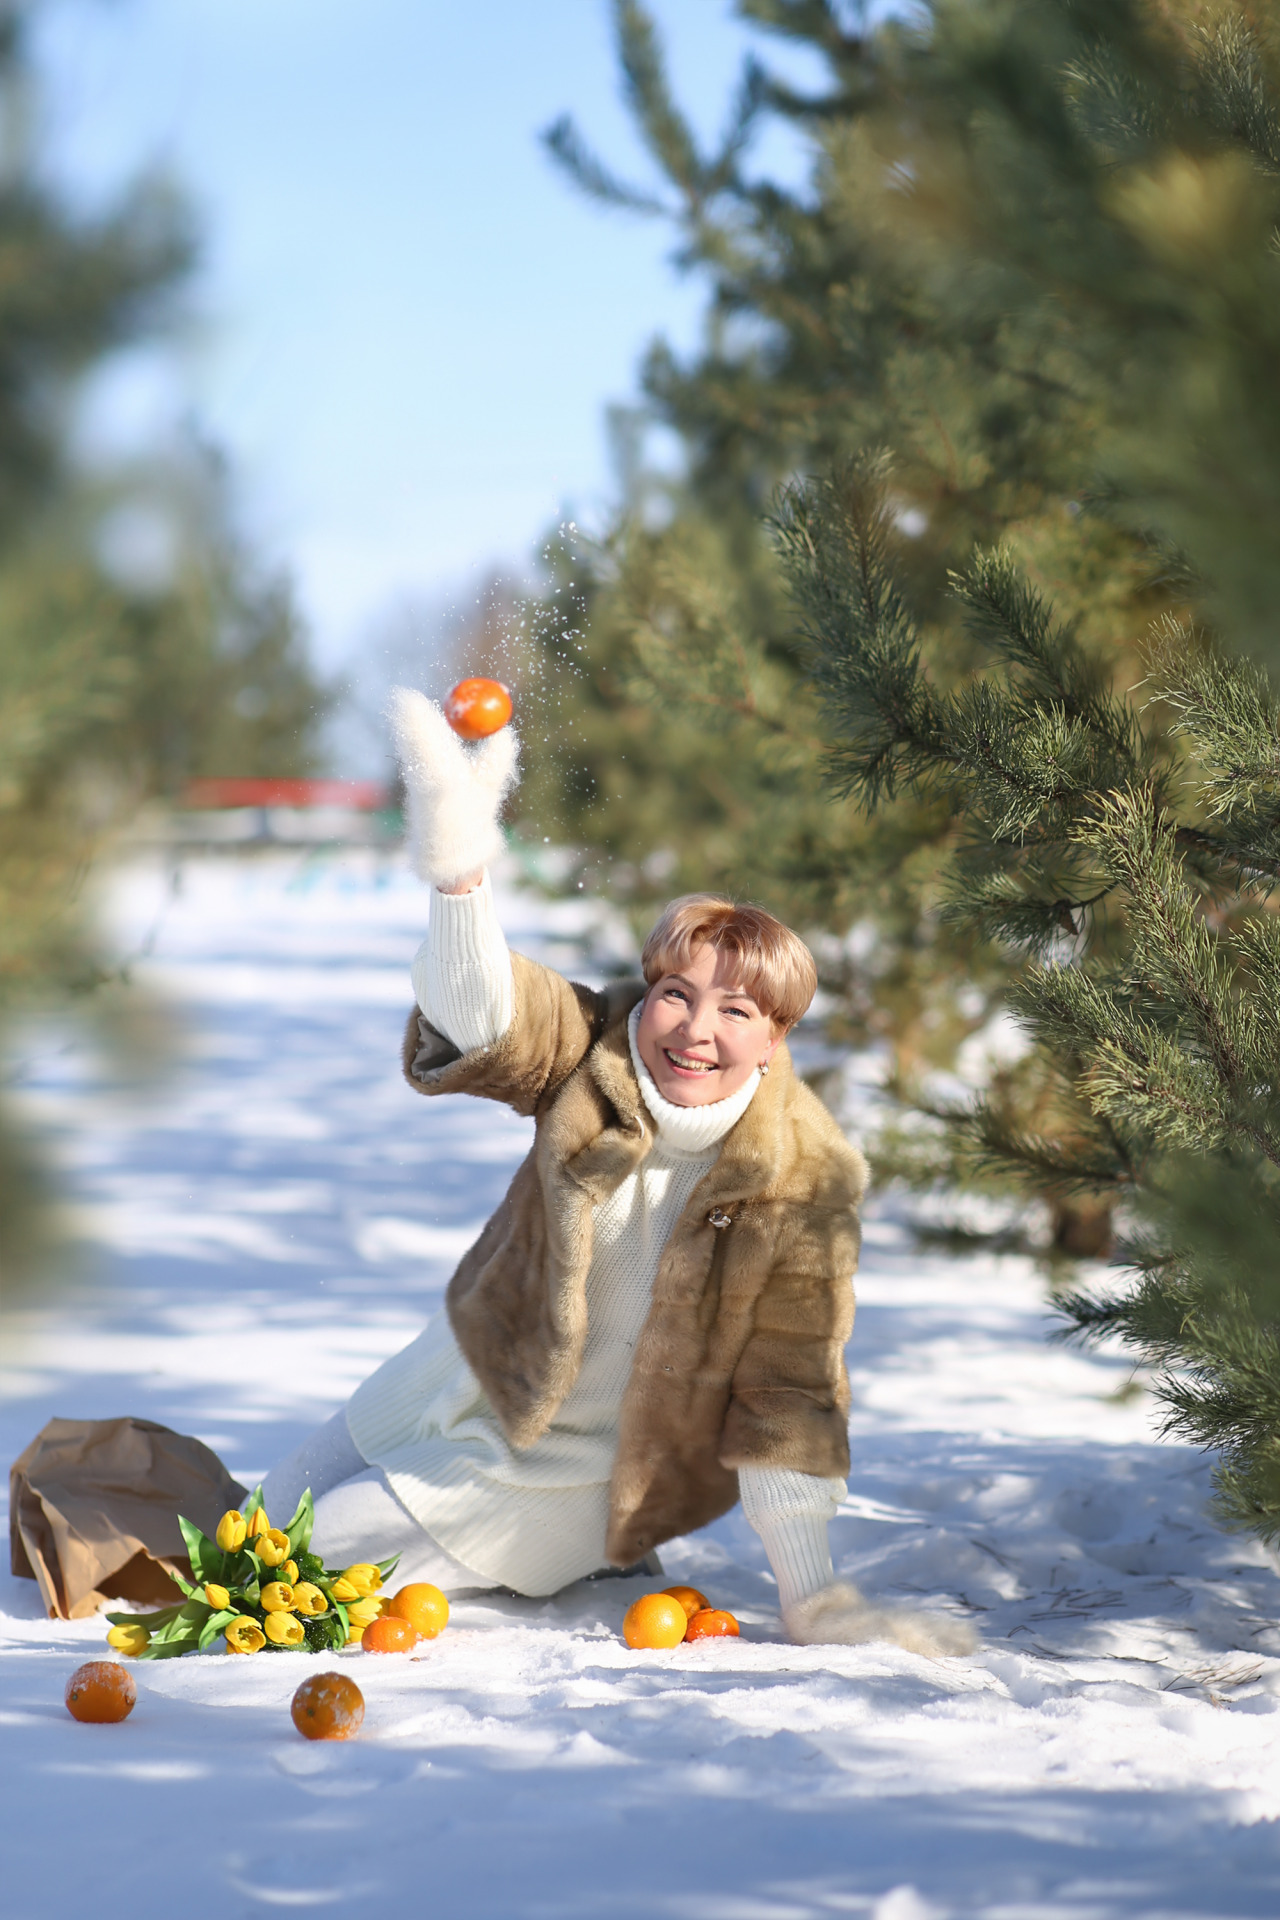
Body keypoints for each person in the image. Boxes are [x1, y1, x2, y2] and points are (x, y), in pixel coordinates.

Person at [262, 692, 973, 1655]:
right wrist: (460, 877)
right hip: (464, 1367)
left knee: (297, 1569)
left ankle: (587, 1550)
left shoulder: (801, 1180)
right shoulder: (592, 1049)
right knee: (264, 1524)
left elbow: (789, 1391)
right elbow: (487, 1015)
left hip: (581, 1468)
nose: (695, 1029)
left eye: (736, 1011)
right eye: (676, 995)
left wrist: (812, 1595)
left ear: (775, 1039)